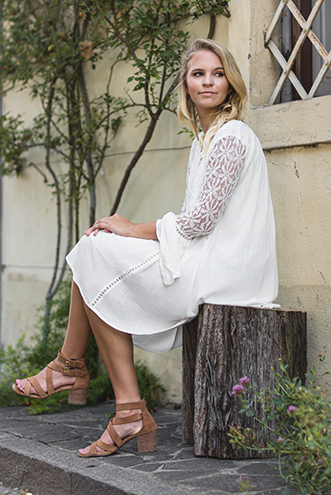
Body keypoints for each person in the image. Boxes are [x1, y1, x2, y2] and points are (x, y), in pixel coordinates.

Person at [12, 39, 278, 458]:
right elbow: (198, 222)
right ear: (186, 85)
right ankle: (119, 403)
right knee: (93, 249)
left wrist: (132, 227)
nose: (208, 82)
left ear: (231, 82)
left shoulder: (232, 136)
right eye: (198, 74)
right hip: (205, 259)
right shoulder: (204, 139)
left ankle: (74, 369)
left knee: (97, 249)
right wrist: (130, 232)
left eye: (218, 73)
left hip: (224, 271)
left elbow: (200, 221)